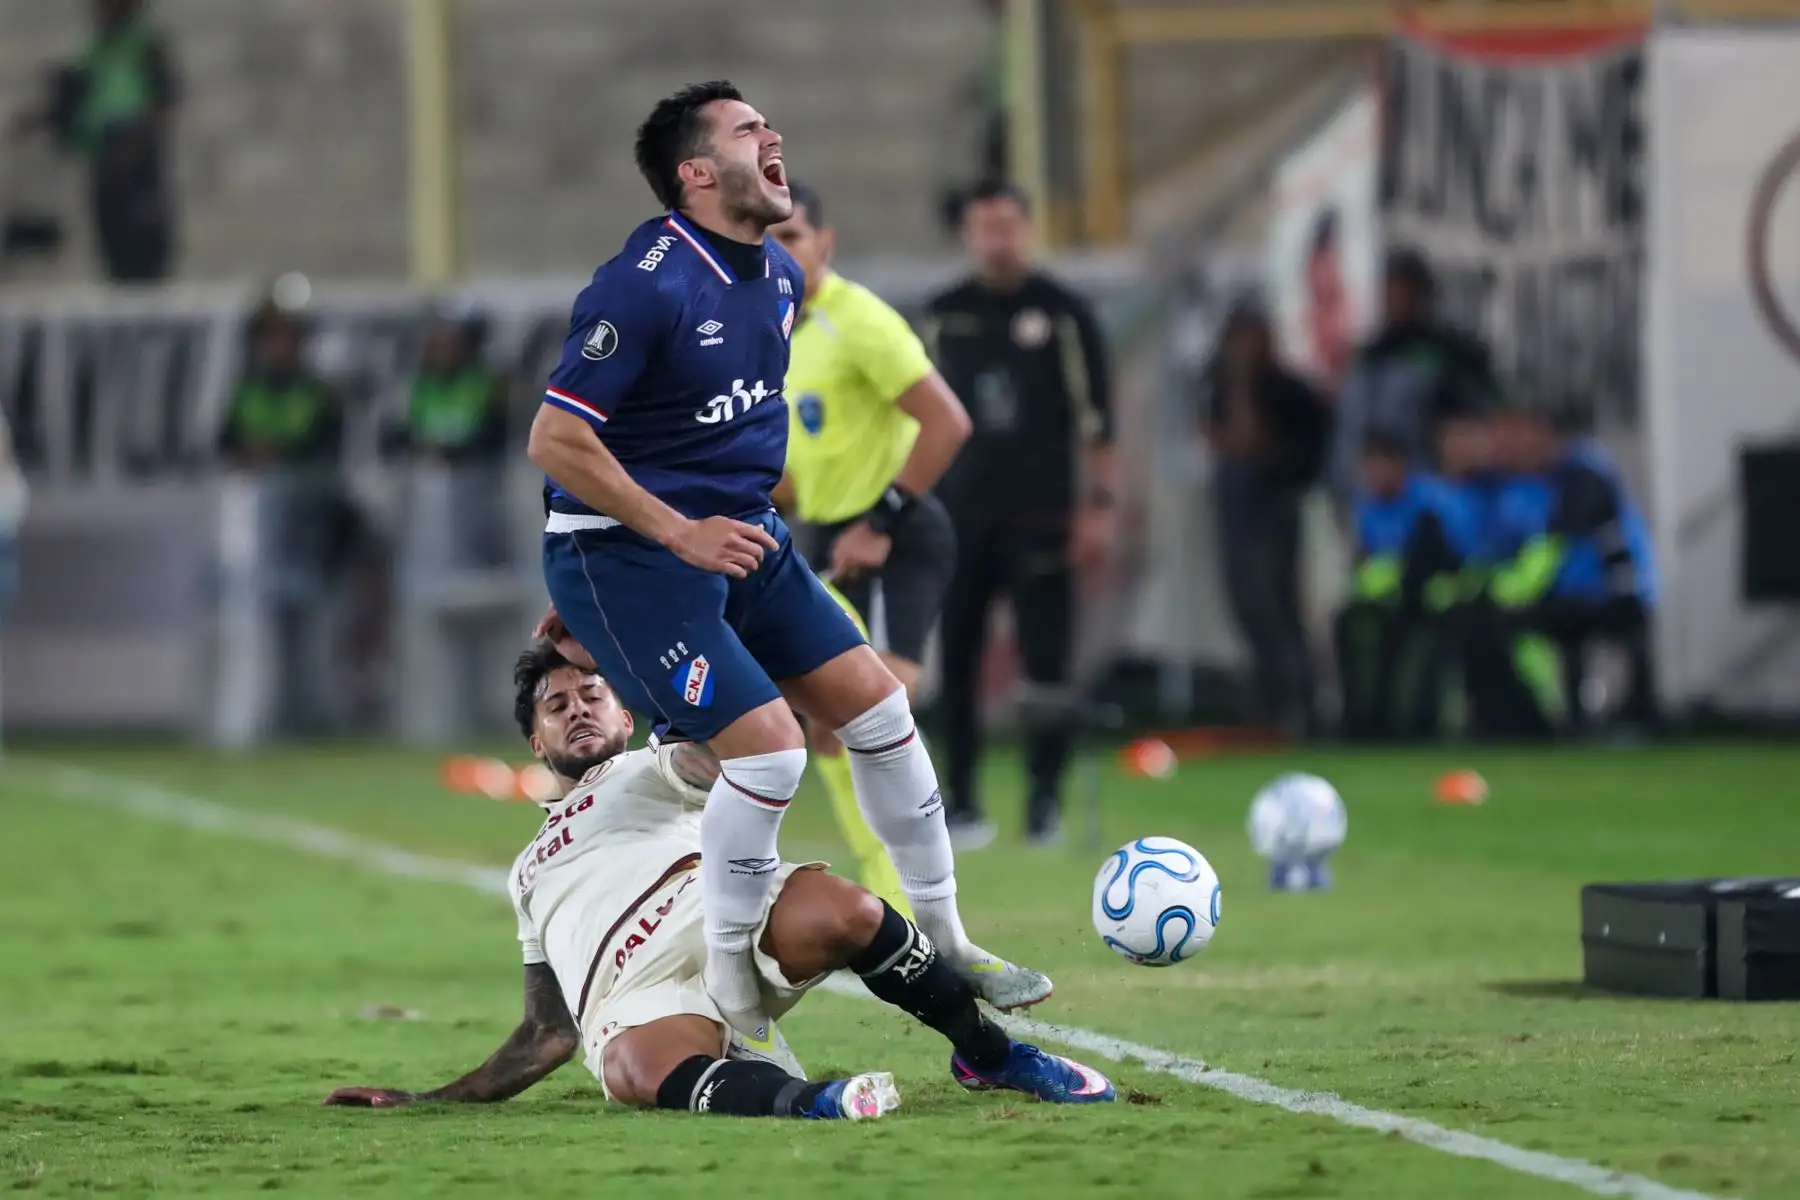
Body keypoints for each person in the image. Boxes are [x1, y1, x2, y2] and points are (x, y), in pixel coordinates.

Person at [525, 83, 1048, 1047]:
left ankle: (947, 936)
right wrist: (670, 538)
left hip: (745, 538)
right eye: (747, 129)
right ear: (696, 172)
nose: (773, 136)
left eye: (767, 124)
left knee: (881, 710)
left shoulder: (777, 279)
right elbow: (555, 440)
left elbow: (723, 432)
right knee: (771, 751)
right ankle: (731, 967)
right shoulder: (642, 284)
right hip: (630, 556)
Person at [321, 644, 1116, 1117]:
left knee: (845, 908)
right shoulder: (525, 872)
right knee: (629, 1070)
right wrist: (431, 1101)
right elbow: (549, 1032)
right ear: (535, 740)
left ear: (625, 715)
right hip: (634, 995)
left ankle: (989, 1054)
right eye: (556, 706)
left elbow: (727, 752)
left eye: (592, 694)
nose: (578, 709)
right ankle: (814, 1103)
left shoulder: (650, 767)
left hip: (719, 918)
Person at [767, 182, 972, 916]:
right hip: (829, 536)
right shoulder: (768, 332)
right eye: (767, 240)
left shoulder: (859, 321)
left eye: (793, 237)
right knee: (826, 725)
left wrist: (881, 522)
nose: (779, 253)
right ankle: (890, 897)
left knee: (877, 715)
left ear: (826, 243)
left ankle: (917, 899)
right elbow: (801, 464)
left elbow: (947, 422)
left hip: (898, 532)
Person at [921, 181, 1117, 847]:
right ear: (967, 235)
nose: (997, 240)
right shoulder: (945, 316)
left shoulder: (1063, 314)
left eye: (1007, 226)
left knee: (1046, 666)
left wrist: (1098, 507)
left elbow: (1098, 424)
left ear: (1027, 229)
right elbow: (913, 416)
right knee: (958, 661)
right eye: (985, 228)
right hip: (960, 521)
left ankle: (1044, 803)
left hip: (1043, 518)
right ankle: (962, 802)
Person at [1464, 408, 1658, 737]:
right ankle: (1548, 718)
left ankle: (1605, 717)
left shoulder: (1585, 472)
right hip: (1573, 592)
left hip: (1616, 590)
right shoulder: (1536, 481)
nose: (1512, 445)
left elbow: (1555, 544)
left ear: (1544, 433)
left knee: (1554, 629)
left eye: (1519, 433)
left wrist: (1509, 592)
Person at [1200, 303, 1331, 735]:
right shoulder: (1218, 389)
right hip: (1235, 516)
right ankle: (1267, 705)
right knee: (1246, 610)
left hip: (1272, 514)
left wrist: (1243, 388)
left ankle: (1298, 705)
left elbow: (1254, 441)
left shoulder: (1287, 392)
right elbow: (1220, 441)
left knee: (1275, 608)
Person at [12, 0, 179, 282]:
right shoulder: (92, 54)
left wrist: (134, 146)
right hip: (102, 157)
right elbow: (70, 104)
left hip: (136, 156)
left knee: (145, 242)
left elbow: (163, 105)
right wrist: (36, 120)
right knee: (113, 242)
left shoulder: (145, 47)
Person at [1335, 431, 1481, 739]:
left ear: (1400, 465)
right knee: (1349, 624)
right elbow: (1367, 564)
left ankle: (1421, 722)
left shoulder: (1431, 504)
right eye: (1369, 465)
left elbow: (1447, 561)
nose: (1375, 473)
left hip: (1438, 600)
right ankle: (1363, 719)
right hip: (1392, 603)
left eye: (1382, 464)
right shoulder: (1367, 507)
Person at [1330, 248, 1496, 506]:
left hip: (1431, 494)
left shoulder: (1452, 353)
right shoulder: (1368, 356)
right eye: (1391, 291)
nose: (1397, 300)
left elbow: (1474, 423)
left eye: (1405, 291)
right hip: (1366, 497)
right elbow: (1347, 434)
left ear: (1424, 295)